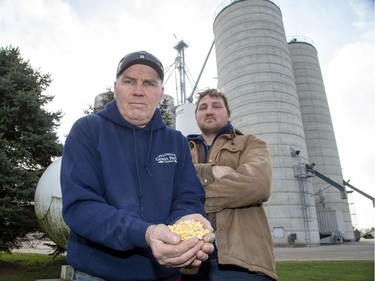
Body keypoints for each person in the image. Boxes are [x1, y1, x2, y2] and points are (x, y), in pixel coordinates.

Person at [60, 51, 215, 281]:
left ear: (161, 93)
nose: (139, 91)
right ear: (115, 87)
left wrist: (185, 222)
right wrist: (145, 233)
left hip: (165, 275)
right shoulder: (88, 130)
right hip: (98, 273)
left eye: (149, 83)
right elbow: (81, 206)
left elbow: (188, 198)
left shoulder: (176, 142)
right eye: (129, 81)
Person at [182, 89, 278, 280]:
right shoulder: (180, 149)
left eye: (216, 106)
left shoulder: (251, 143)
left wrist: (189, 196)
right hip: (188, 260)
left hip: (242, 259)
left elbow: (256, 185)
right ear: (196, 117)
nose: (209, 111)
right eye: (203, 107)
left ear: (228, 114)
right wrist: (210, 171)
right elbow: (164, 186)